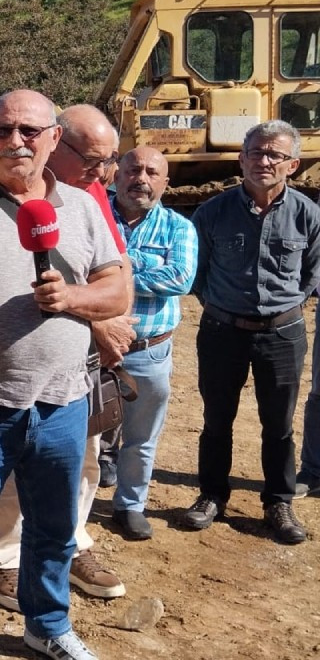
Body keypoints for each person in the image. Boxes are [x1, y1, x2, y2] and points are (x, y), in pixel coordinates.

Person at [0, 89, 129, 660]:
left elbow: (119, 288)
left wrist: (75, 296)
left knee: (54, 531)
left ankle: (48, 626)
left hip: (62, 401)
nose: (15, 142)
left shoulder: (83, 207)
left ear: (54, 140)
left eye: (29, 131)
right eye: (2, 130)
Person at [0, 104, 131, 609]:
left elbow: (113, 267)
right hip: (9, 369)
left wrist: (103, 314)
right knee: (13, 469)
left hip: (79, 360)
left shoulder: (87, 196)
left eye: (109, 161)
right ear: (58, 144)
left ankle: (72, 541)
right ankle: (3, 555)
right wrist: (99, 316)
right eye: (92, 160)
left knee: (81, 461)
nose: (102, 173)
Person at [183, 120, 320, 545]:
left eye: (274, 155)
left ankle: (278, 501)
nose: (264, 161)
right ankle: (211, 495)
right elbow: (197, 274)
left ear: (292, 164)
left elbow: (313, 273)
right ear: (241, 159)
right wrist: (221, 308)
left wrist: (285, 308)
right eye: (256, 152)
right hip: (222, 330)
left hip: (282, 336)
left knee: (278, 424)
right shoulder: (212, 212)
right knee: (216, 418)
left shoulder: (308, 214)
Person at [107, 147, 197, 540]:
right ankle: (72, 509)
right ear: (116, 175)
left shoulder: (180, 227)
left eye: (151, 172)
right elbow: (74, 267)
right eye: (132, 169)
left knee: (141, 438)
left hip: (148, 351)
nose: (140, 178)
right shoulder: (94, 216)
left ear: (165, 182)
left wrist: (115, 271)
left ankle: (130, 505)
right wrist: (145, 263)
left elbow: (180, 279)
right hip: (93, 348)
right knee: (83, 436)